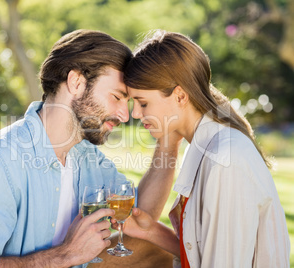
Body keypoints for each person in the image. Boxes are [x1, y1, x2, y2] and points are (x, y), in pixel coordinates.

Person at [0, 29, 180, 267]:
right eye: (117, 97)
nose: (124, 115)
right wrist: (66, 255)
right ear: (76, 82)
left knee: (157, 252)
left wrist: (170, 140)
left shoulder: (87, 158)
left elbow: (137, 217)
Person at [115, 29, 291, 267]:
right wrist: (151, 232)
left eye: (143, 103)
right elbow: (206, 253)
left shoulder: (225, 160)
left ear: (179, 96)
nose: (134, 114)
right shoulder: (204, 146)